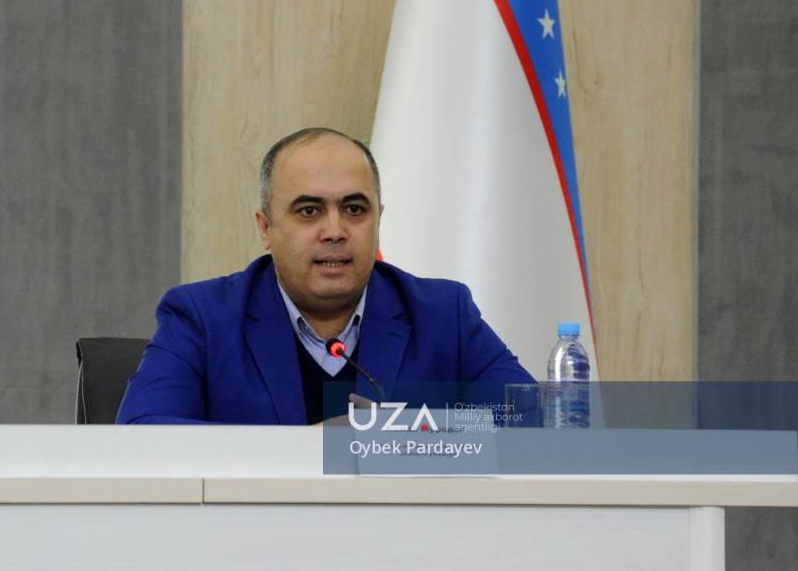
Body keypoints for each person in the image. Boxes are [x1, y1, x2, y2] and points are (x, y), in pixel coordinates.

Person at [116, 127, 534, 424]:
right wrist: (306, 451)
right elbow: (145, 433)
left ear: (378, 220)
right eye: (309, 211)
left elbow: (534, 420)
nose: (335, 231)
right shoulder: (204, 318)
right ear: (266, 228)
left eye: (354, 209)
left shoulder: (441, 314)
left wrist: (399, 434)